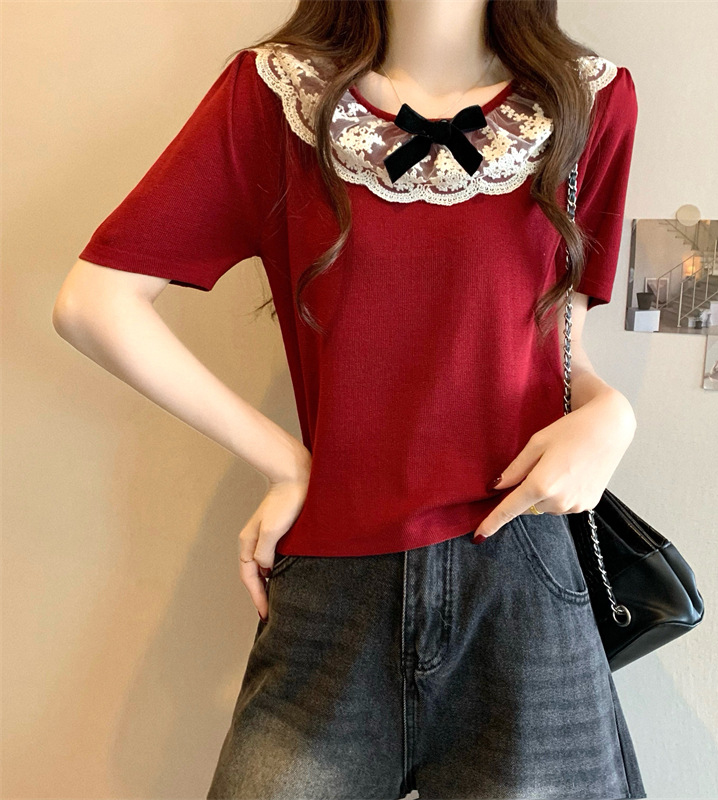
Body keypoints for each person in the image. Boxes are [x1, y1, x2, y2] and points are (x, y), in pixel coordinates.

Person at [53, 0, 645, 797]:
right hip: (335, 583)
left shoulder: (586, 102)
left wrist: (612, 416)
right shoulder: (274, 98)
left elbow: (555, 353)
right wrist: (286, 461)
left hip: (522, 573)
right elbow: (94, 303)